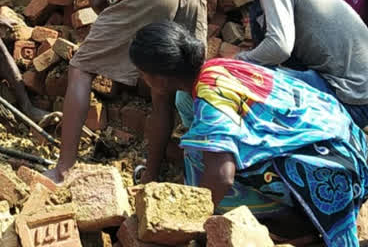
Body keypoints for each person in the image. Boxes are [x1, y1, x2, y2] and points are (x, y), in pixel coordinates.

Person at [44, 0, 229, 183]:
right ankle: (151, 176)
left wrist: (115, 21)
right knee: (164, 91)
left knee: (80, 67)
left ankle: (63, 168)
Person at [129, 21, 368, 247]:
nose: (141, 77)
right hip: (352, 146)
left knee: (199, 159)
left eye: (142, 72)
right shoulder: (220, 67)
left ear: (159, 79)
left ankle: (297, 228)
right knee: (206, 146)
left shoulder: (211, 101)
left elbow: (222, 176)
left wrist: (194, 227)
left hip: (332, 180)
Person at [222, 0, 368, 127]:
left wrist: (237, 61)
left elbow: (278, 47)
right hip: (359, 91)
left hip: (349, 97)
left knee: (237, 80)